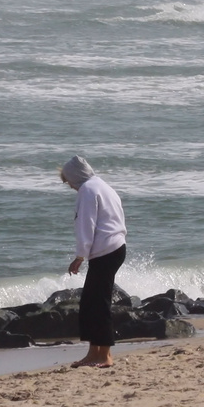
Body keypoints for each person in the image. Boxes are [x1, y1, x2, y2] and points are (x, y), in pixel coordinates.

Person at [59, 156, 127, 368]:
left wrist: (80, 256)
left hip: (106, 251)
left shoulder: (87, 191)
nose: (68, 185)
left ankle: (104, 356)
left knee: (98, 304)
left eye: (67, 180)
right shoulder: (103, 186)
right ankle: (93, 353)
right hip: (114, 248)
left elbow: (85, 226)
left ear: (75, 177)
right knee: (91, 303)